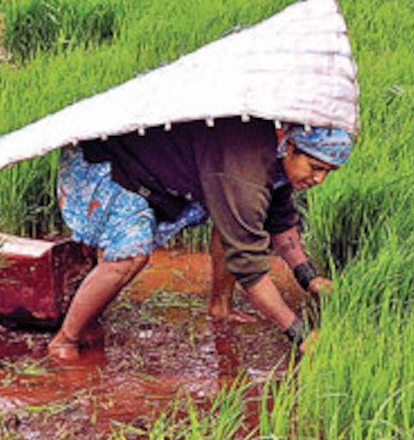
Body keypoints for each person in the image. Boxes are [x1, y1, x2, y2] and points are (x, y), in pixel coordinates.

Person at [47, 117, 352, 361]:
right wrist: (299, 335)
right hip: (108, 165)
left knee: (231, 219)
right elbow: (249, 267)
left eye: (329, 172)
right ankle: (65, 339)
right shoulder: (245, 170)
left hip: (155, 169)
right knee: (130, 255)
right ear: (290, 146)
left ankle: (220, 307)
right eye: (315, 168)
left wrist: (310, 280)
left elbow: (281, 222)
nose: (319, 180)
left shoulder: (274, 155)